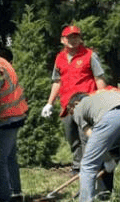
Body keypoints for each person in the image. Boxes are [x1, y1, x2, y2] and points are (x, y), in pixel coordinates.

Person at [42, 26, 106, 171]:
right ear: (62, 40)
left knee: (87, 137)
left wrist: (103, 101)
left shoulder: (89, 55)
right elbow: (57, 81)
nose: (74, 40)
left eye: (76, 36)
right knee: (72, 137)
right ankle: (77, 167)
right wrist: (49, 103)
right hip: (66, 106)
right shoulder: (59, 58)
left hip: (86, 105)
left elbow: (99, 78)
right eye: (70, 37)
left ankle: (89, 168)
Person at [0, 49, 28, 202]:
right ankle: (16, 192)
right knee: (10, 157)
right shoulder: (1, 61)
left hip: (7, 117)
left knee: (0, 159)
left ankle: (4, 197)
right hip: (15, 114)